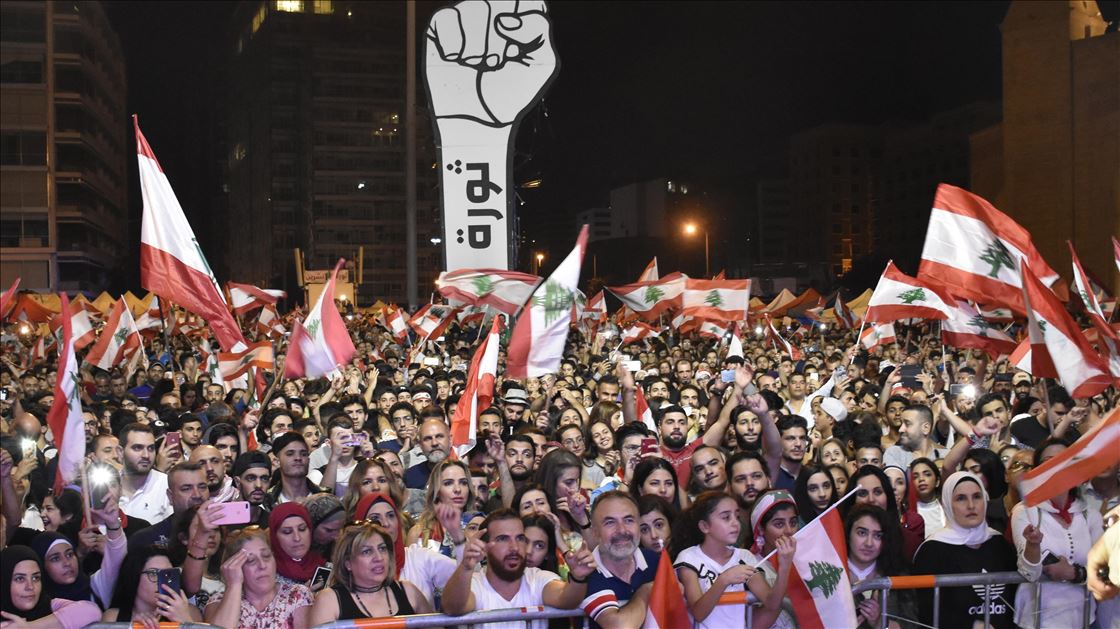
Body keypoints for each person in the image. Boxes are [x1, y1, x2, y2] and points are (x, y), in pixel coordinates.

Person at [912, 471, 1043, 628]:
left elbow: (1015, 597)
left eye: (977, 497)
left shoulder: (999, 543)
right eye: (961, 498)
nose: (971, 505)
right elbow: (926, 609)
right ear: (947, 504)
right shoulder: (931, 550)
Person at [441, 509, 598, 627]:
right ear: (484, 546)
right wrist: (466, 567)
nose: (514, 547)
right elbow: (452, 607)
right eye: (503, 539)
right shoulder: (474, 583)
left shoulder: (538, 578)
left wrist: (578, 577)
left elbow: (567, 599)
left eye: (520, 538)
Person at [1010, 437, 1104, 628]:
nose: (1056, 467)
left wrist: (1074, 573)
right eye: (1048, 462)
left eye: (1063, 460)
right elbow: (1029, 573)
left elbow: (1106, 572)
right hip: (1037, 619)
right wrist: (1033, 545)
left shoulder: (1089, 514)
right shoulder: (1025, 511)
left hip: (1082, 617)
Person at [671, 491, 794, 629]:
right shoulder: (689, 557)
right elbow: (698, 613)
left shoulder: (744, 557)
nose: (735, 523)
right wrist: (724, 580)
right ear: (705, 526)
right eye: (726, 517)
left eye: (737, 516)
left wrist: (785, 566)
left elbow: (772, 604)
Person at [308, 521, 432, 624]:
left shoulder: (408, 591)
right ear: (348, 563)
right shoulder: (329, 600)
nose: (379, 558)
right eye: (367, 551)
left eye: (382, 549)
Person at [203, 527, 313, 629]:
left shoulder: (296, 595)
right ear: (235, 568)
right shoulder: (218, 600)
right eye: (251, 561)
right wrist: (234, 585)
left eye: (266, 556)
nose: (262, 565)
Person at [845, 504, 914, 629]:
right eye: (862, 533)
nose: (869, 543)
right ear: (848, 534)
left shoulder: (897, 576)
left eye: (877, 536)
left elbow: (911, 625)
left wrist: (880, 623)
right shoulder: (831, 574)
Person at [1, 545, 102, 628]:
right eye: (20, 579)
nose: (30, 586)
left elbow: (92, 611)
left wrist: (30, 626)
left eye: (35, 578)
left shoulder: (48, 605)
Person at [102, 546, 201, 625]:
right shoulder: (113, 618)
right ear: (134, 576)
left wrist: (185, 621)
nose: (161, 581)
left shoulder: (190, 612)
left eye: (167, 573)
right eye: (153, 573)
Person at [269, 502, 328, 586]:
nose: (297, 538)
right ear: (274, 537)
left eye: (302, 529)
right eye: (287, 532)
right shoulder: (266, 574)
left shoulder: (326, 568)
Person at [909, 457, 944, 536]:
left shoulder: (947, 508)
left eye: (927, 474)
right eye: (915, 477)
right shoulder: (907, 512)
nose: (921, 479)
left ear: (937, 482)